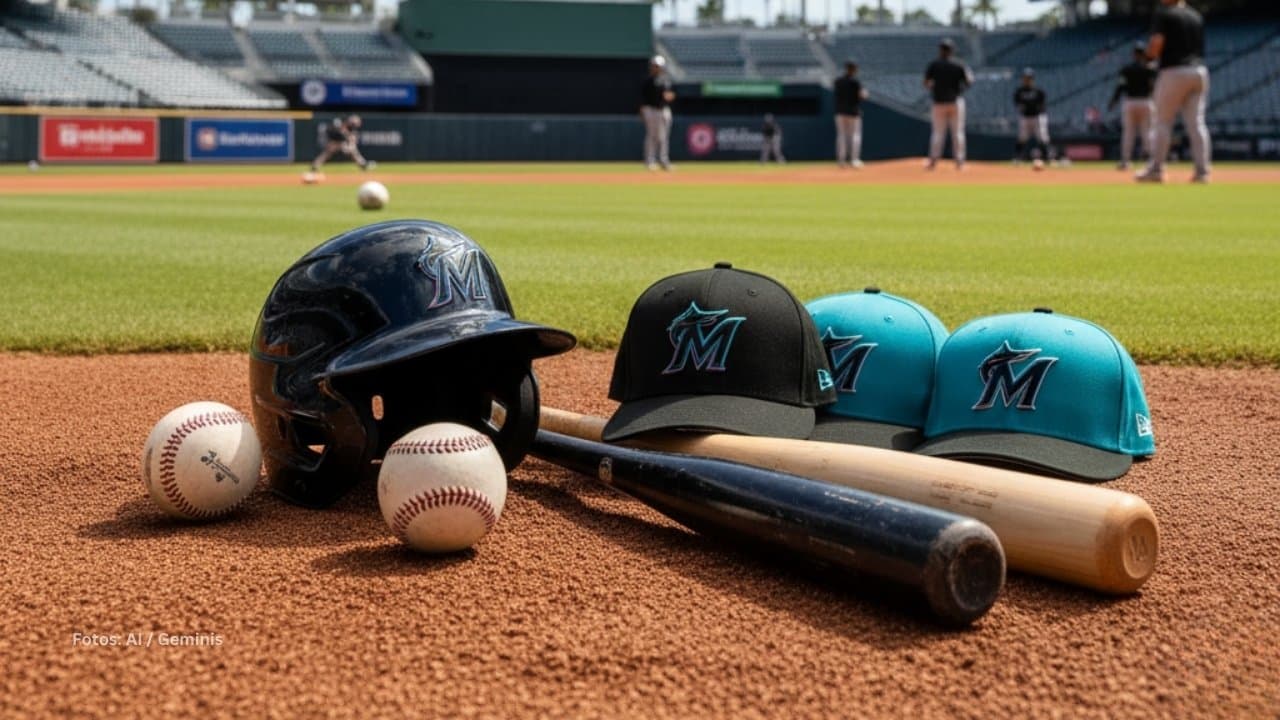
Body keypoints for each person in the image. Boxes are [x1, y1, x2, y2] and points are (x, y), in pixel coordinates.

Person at [1137, 0, 1211, 184]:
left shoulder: (1165, 14)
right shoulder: (1196, 16)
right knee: (1197, 124)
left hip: (1174, 71)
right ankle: (1202, 172)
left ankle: (1156, 169)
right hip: (1199, 71)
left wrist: (1148, 58)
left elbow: (1156, 43)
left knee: (1162, 122)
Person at [924, 38, 974, 170]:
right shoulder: (959, 65)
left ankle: (933, 161)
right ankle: (960, 162)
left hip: (939, 102)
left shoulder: (934, 65)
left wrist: (936, 87)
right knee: (957, 133)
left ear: (940, 50)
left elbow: (926, 83)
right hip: (955, 101)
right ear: (952, 50)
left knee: (937, 133)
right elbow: (969, 81)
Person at [1109, 44, 1158, 171]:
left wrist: (1113, 101)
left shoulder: (1127, 69)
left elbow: (1120, 87)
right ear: (1144, 54)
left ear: (1134, 54)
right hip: (1146, 101)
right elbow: (1154, 87)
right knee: (1147, 132)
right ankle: (1151, 161)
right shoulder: (1150, 69)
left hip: (1130, 102)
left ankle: (1125, 161)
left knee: (1128, 133)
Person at [641, 55, 675, 171]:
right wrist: (642, 111)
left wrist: (669, 96)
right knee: (652, 136)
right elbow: (643, 98)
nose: (656, 68)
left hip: (663, 110)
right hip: (651, 110)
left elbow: (671, 94)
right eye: (655, 66)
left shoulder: (666, 80)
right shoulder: (648, 81)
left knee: (664, 137)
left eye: (658, 66)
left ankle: (664, 161)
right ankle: (650, 161)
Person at [834, 59, 869, 168]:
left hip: (840, 111)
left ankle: (841, 160)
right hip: (853, 112)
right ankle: (854, 160)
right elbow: (862, 95)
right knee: (855, 135)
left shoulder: (838, 81)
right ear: (853, 69)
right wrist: (865, 94)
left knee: (841, 135)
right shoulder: (855, 82)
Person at [1013, 68, 1051, 166]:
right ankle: (1018, 158)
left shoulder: (1038, 91)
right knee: (1022, 137)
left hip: (1037, 117)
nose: (1027, 80)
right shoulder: (1019, 91)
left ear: (1032, 79)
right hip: (1025, 117)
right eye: (1025, 78)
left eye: (1029, 78)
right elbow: (1017, 103)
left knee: (1042, 137)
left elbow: (1043, 104)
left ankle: (1047, 158)